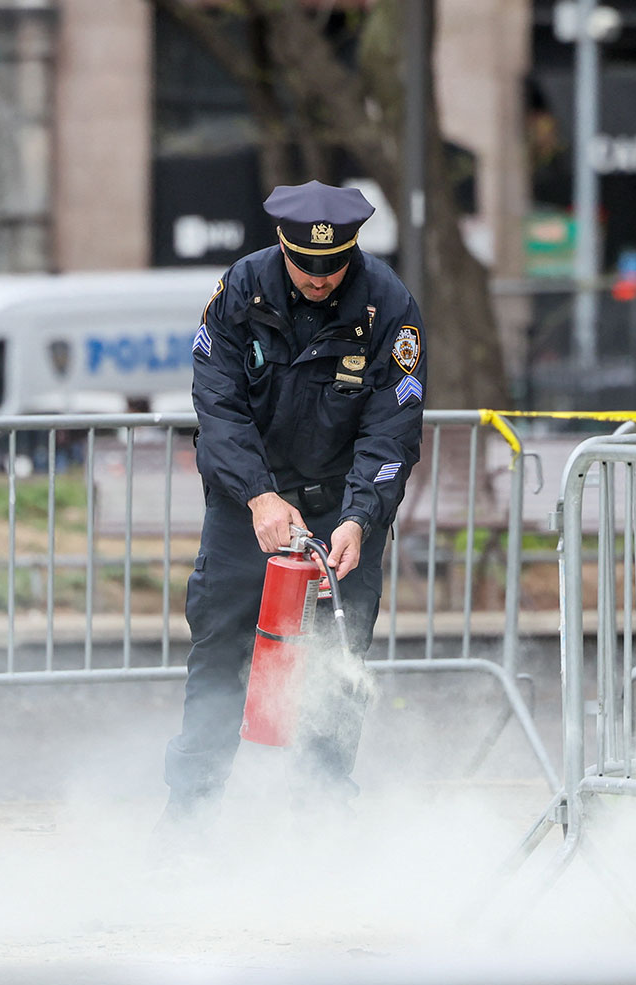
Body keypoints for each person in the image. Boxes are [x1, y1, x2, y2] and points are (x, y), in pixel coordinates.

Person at [163, 180, 428, 828]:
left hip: (342, 514)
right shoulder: (240, 293)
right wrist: (258, 496)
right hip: (248, 513)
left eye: (332, 264)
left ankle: (320, 826)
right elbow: (218, 407)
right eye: (305, 264)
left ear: (352, 251)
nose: (318, 277)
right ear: (282, 248)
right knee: (221, 658)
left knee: (335, 670)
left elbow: (391, 427)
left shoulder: (389, 307)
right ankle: (187, 824)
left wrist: (361, 517)